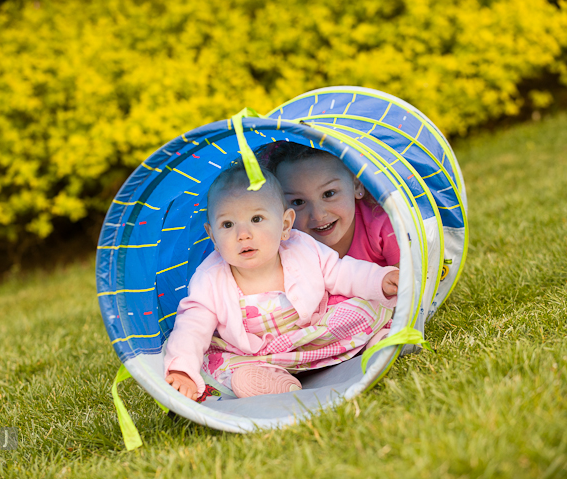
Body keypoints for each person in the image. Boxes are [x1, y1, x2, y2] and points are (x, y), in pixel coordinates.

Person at [164, 162, 399, 400]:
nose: (243, 234)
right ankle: (276, 382)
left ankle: (377, 342)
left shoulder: (301, 247)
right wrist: (181, 368)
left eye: (256, 219)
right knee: (221, 364)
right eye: (227, 224)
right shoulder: (210, 278)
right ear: (212, 236)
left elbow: (341, 272)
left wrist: (380, 279)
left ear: (285, 225)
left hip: (313, 334)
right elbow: (192, 325)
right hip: (259, 355)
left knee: (359, 307)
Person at [258, 141, 401, 347]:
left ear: (356, 185)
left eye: (329, 194)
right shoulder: (287, 246)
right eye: (298, 202)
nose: (318, 214)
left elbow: (412, 286)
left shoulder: (383, 226)